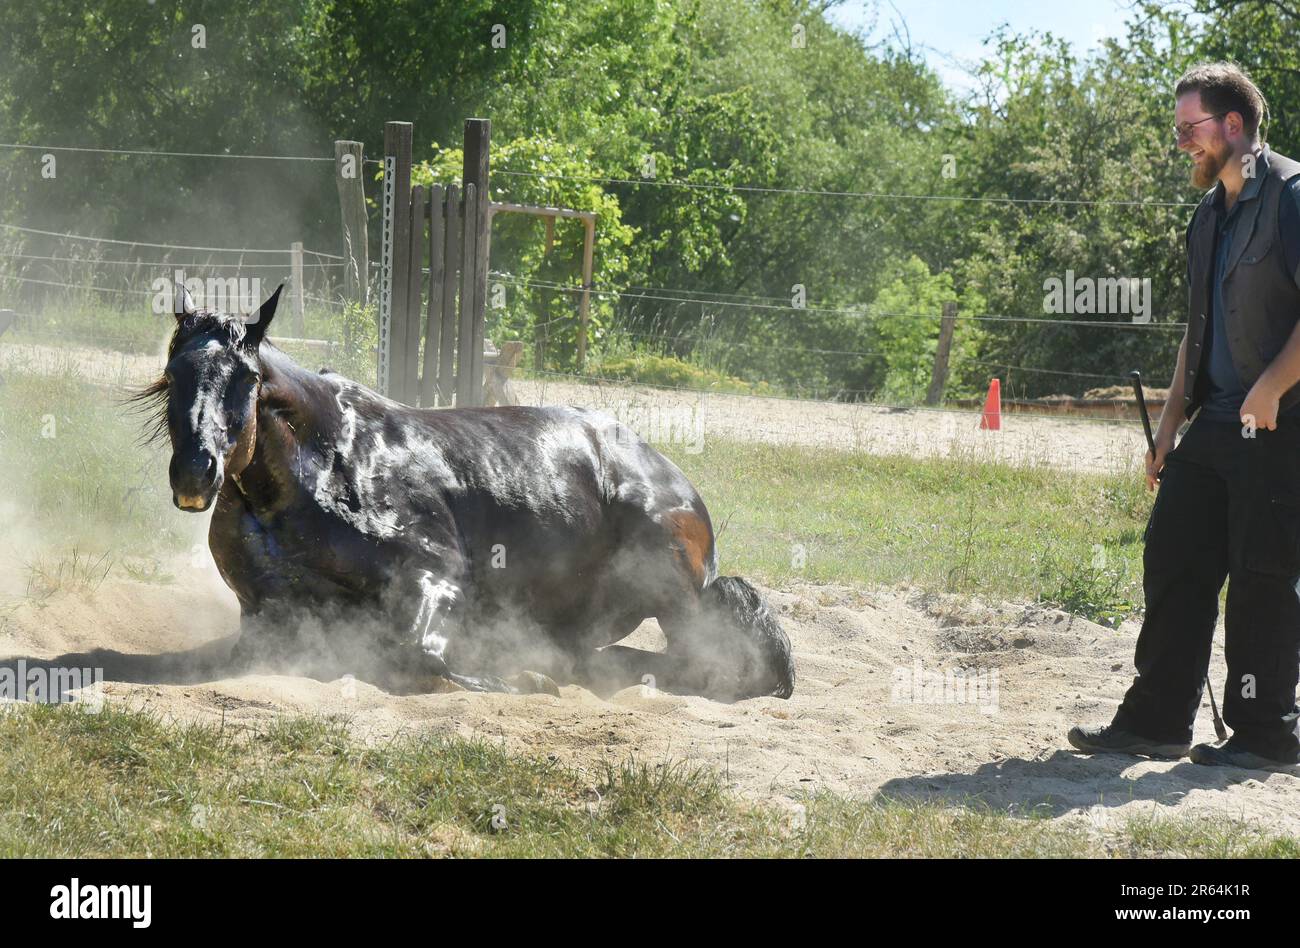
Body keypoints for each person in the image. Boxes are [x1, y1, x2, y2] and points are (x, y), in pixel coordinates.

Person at [1069, 62, 1300, 769]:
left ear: (1234, 125)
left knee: (1261, 574)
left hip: (1282, 421)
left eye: (1190, 129)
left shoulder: (1293, 195)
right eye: (1178, 132)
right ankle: (1158, 720)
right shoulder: (1208, 217)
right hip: (1218, 420)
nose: (1181, 144)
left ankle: (1266, 734)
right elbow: (1195, 333)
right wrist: (1170, 426)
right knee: (1173, 553)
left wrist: (1271, 389)